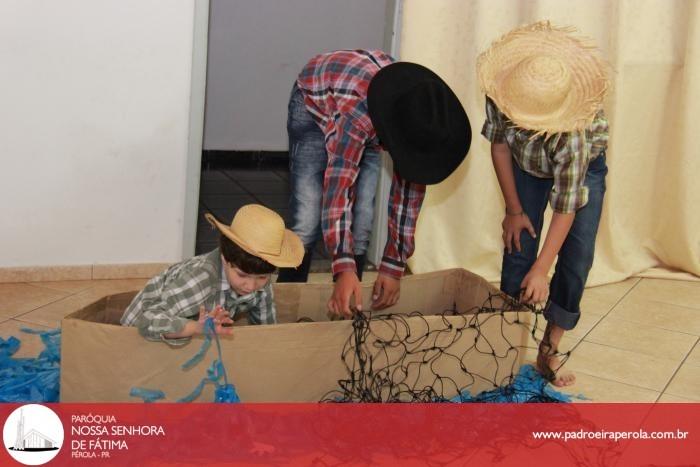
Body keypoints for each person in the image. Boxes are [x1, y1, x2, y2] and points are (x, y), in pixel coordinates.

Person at [277, 49, 471, 317]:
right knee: (307, 217)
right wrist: (342, 267)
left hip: (370, 114)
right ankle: (287, 304)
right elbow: (339, 187)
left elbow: (409, 193)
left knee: (364, 216)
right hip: (316, 100)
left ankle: (347, 303)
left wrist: (394, 263)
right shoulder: (358, 116)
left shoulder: (416, 118)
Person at [477, 21, 610, 386]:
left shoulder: (575, 137)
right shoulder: (502, 90)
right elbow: (501, 146)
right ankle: (502, 345)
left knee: (576, 258)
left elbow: (566, 207)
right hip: (523, 164)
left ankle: (549, 349)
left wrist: (542, 269)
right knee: (518, 246)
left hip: (582, 172)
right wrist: (513, 212)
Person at [121, 204, 303, 346]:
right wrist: (197, 327)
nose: (251, 286)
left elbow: (267, 331)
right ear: (225, 258)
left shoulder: (259, 281)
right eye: (242, 275)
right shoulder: (200, 280)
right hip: (136, 336)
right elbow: (148, 322)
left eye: (262, 278)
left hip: (186, 328)